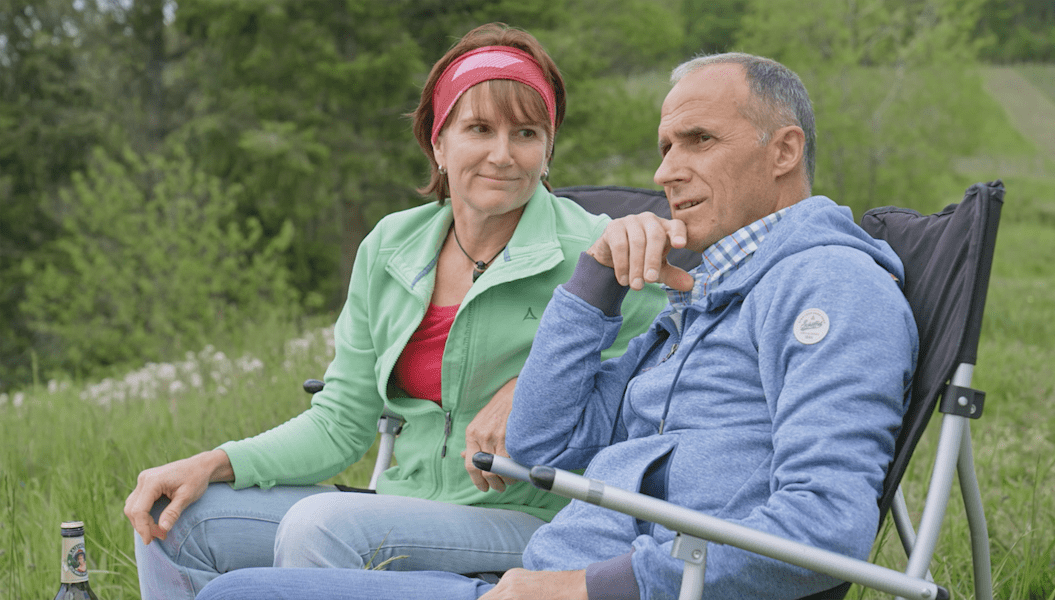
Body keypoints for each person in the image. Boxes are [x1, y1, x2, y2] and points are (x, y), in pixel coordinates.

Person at [194, 51, 919, 600]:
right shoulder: (699, 294)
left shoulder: (832, 287)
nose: (666, 171)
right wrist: (592, 282)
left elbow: (826, 527)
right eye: (664, 147)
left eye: (697, 141)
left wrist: (589, 587)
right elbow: (542, 442)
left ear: (783, 151)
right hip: (536, 579)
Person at [122, 23, 666, 600]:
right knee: (175, 518)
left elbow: (675, 352)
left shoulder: (598, 249)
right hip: (404, 501)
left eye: (526, 133)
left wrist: (539, 387)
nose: (503, 155)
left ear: (548, 148)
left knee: (321, 526)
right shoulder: (390, 247)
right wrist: (213, 462)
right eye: (478, 128)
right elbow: (340, 423)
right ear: (439, 141)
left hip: (536, 515)